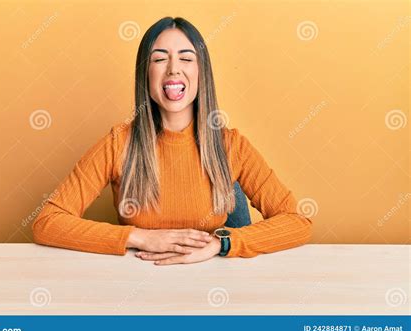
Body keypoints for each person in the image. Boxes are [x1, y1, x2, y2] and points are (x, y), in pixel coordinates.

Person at [32, 17, 312, 265]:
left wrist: (221, 244)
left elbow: (297, 222)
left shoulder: (232, 146)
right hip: (140, 283)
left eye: (186, 58)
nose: (173, 69)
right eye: (159, 59)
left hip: (213, 285)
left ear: (202, 73)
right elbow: (47, 222)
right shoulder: (119, 143)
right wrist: (140, 238)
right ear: (146, 73)